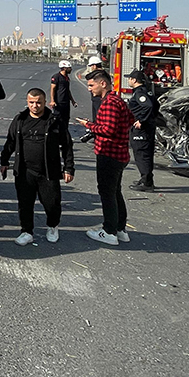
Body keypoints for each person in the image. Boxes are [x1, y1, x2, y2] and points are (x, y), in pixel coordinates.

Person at [0, 88, 74, 245]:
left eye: (38, 102)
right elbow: (10, 142)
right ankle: (26, 231)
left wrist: (68, 168)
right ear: (27, 102)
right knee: (25, 203)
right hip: (25, 170)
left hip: (48, 171)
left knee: (52, 203)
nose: (35, 106)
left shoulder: (54, 120)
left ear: (45, 102)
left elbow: (67, 145)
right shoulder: (20, 120)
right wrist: (4, 161)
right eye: (31, 102)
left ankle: (52, 226)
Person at [77, 71, 132, 246]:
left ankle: (109, 231)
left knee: (107, 193)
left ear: (103, 84)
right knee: (115, 192)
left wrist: (89, 125)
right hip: (119, 154)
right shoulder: (118, 101)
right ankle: (120, 229)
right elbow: (130, 119)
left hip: (109, 154)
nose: (89, 89)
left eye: (91, 85)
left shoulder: (109, 103)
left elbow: (108, 129)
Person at [125, 69, 159, 191]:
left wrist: (142, 120)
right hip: (148, 127)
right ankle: (146, 178)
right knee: (146, 153)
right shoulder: (147, 91)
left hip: (142, 129)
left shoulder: (140, 93)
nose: (128, 80)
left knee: (141, 154)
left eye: (129, 78)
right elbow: (156, 105)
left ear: (134, 80)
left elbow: (148, 106)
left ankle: (146, 182)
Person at [49, 60, 78, 131]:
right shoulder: (56, 77)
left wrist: (73, 101)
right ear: (64, 68)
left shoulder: (67, 78)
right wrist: (52, 101)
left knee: (66, 120)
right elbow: (52, 89)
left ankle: (64, 136)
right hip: (58, 103)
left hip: (66, 102)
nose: (71, 69)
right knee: (57, 120)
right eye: (69, 68)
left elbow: (67, 90)